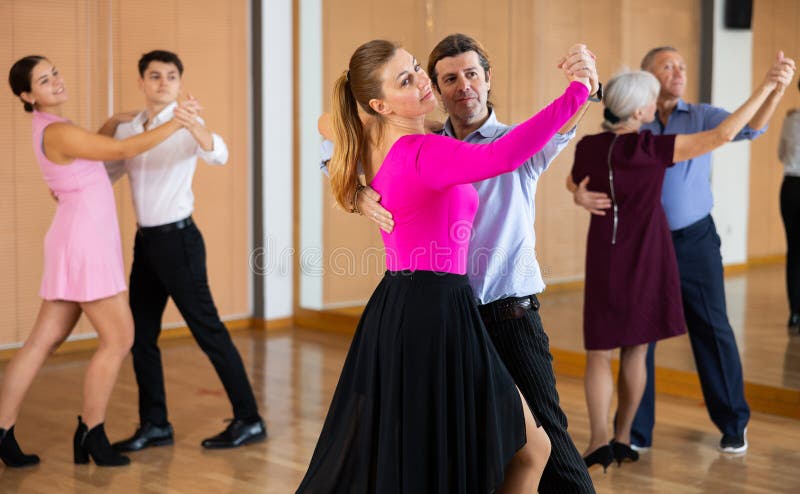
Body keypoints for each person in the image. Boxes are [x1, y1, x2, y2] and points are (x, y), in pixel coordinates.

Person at [297, 39, 589, 493]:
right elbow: (504, 155)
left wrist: (355, 190)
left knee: (519, 449)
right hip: (434, 310)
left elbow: (327, 121)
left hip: (412, 304)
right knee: (527, 449)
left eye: (416, 69)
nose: (421, 82)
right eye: (406, 80)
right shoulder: (422, 151)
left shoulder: (375, 137)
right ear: (378, 104)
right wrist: (577, 91)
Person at [572, 47, 795, 454]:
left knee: (694, 331)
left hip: (659, 246)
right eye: (666, 68)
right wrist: (578, 194)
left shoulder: (597, 141)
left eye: (682, 66)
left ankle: (723, 423)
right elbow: (724, 136)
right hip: (642, 249)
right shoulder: (645, 140)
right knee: (639, 342)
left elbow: (743, 129)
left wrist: (772, 91)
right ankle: (630, 435)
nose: (676, 74)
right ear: (641, 99)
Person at [2, 55, 190, 467]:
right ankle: (91, 432)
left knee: (41, 342)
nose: (55, 81)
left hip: (73, 240)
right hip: (85, 245)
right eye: (43, 80)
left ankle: (2, 431)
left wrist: (112, 119)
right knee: (119, 338)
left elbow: (95, 152)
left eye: (55, 72)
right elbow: (120, 149)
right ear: (27, 95)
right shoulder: (59, 131)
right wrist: (175, 122)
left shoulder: (52, 130)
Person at [98, 50, 265, 452]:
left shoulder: (187, 122)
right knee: (140, 335)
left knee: (208, 332)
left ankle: (249, 419)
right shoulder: (130, 130)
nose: (162, 83)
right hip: (147, 244)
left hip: (180, 242)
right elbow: (104, 172)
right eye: (154, 76)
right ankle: (155, 424)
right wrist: (109, 124)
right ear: (142, 82)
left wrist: (194, 127)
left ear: (179, 82)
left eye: (170, 76)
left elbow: (218, 153)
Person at [778, 80, 800, 332]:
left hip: (790, 187)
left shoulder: (791, 119)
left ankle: (795, 312)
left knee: (794, 251)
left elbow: (781, 155)